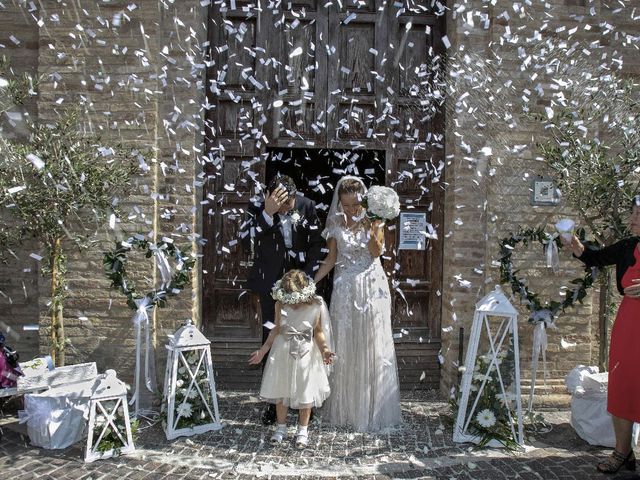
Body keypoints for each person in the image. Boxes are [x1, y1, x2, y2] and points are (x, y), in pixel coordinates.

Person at [313, 176, 401, 432]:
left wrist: (374, 225)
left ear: (363, 201)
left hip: (371, 287)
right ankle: (347, 410)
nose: (351, 210)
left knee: (370, 344)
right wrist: (311, 282)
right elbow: (330, 260)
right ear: (339, 203)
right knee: (346, 343)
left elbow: (375, 252)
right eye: (346, 205)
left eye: (355, 205)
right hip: (344, 289)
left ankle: (371, 410)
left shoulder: (375, 220)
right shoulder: (335, 223)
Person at [562, 195, 640, 474]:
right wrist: (578, 247)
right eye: (632, 212)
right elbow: (596, 257)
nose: (632, 219)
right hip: (629, 324)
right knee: (623, 384)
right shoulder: (629, 246)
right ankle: (622, 452)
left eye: (638, 215)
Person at [240, 175, 325, 424]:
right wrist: (267, 214)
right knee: (274, 338)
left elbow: (316, 244)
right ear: (270, 197)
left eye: (290, 201)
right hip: (271, 285)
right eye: (283, 203)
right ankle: (273, 402)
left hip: (301, 284)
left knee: (306, 340)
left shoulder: (307, 206)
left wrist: (307, 279)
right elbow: (247, 243)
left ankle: (305, 403)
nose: (289, 207)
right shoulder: (256, 208)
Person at [248, 270, 334, 448]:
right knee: (282, 391)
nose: (293, 304)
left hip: (306, 353)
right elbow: (276, 329)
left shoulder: (315, 306)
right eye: (289, 299)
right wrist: (263, 351)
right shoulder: (280, 304)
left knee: (305, 392)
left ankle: (302, 430)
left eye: (296, 300)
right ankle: (280, 428)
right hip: (283, 350)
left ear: (305, 293)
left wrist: (325, 350)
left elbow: (317, 332)